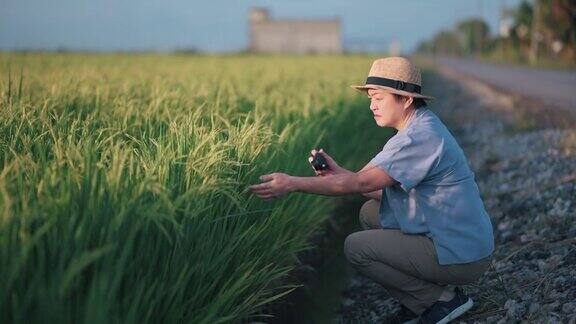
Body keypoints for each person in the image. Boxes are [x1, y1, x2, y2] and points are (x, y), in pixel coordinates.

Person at [249, 57, 494, 324]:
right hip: (455, 236)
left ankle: (438, 301)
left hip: (462, 253)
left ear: (406, 99)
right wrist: (339, 174)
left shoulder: (417, 138)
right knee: (370, 212)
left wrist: (292, 183)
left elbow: (362, 183)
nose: (372, 105)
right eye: (369, 98)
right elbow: (365, 182)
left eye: (378, 97)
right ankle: (428, 295)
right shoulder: (418, 126)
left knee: (356, 248)